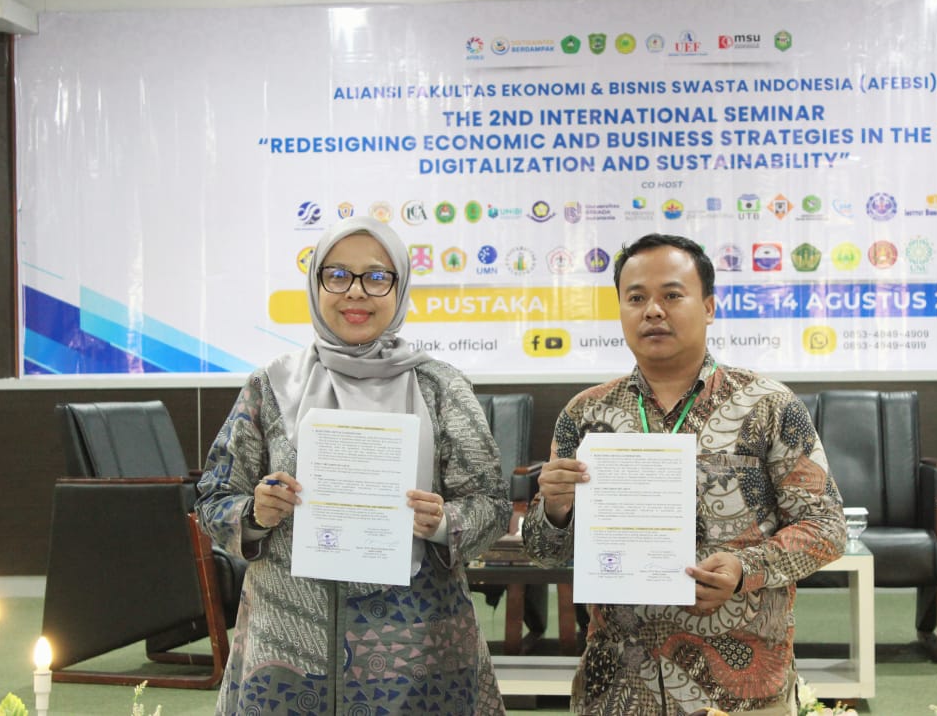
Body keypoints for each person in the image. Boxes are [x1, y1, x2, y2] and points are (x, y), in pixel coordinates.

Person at [196, 216, 511, 715]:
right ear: (316, 284)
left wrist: (443, 520)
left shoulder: (441, 388)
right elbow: (213, 498)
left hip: (416, 652)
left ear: (399, 286)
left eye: (377, 276)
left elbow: (492, 505)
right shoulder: (270, 387)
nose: (356, 291)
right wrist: (254, 514)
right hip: (289, 649)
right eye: (338, 275)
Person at [522, 233, 847, 715]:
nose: (653, 311)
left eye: (672, 295)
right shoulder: (585, 414)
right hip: (618, 686)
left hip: (741, 691)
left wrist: (744, 569)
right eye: (636, 298)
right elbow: (545, 552)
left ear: (709, 307)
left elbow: (827, 527)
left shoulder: (768, 406)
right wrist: (555, 510)